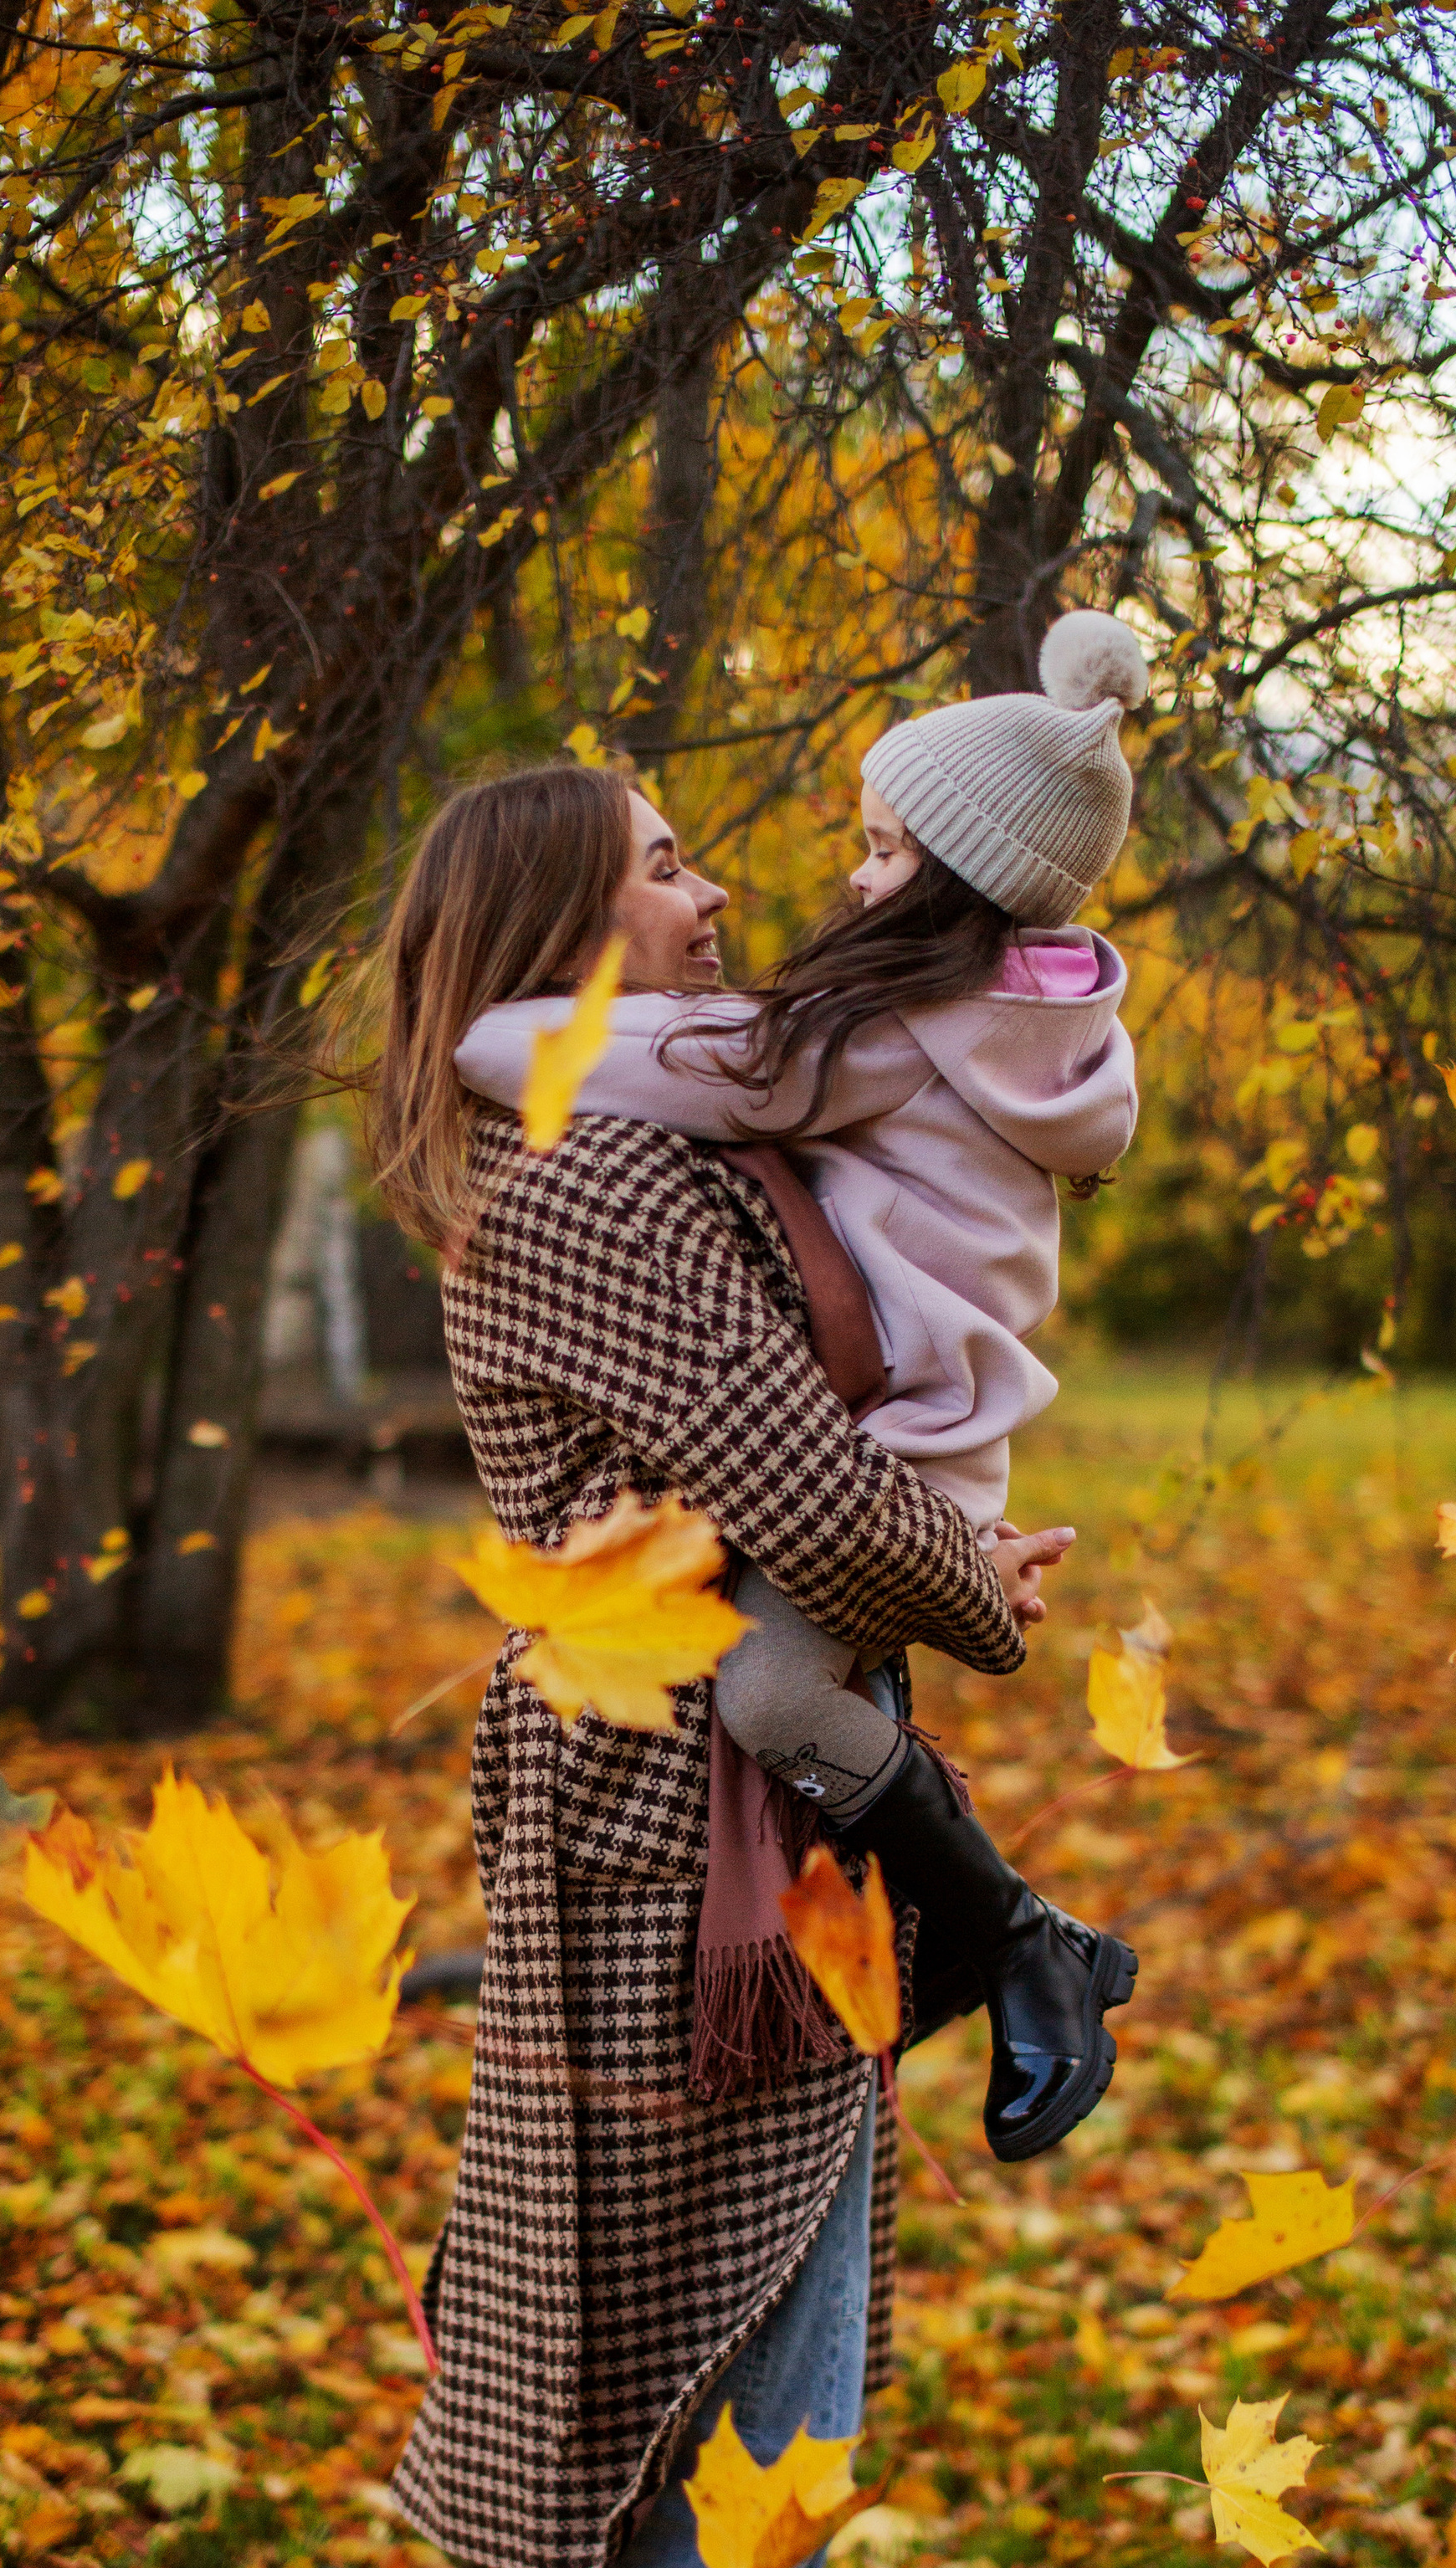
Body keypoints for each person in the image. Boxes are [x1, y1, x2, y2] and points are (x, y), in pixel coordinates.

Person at [340, 762, 1054, 2568]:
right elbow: (810, 1500)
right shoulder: (583, 1185)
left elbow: (813, 1468)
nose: (717, 889)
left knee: (800, 2295)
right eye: (664, 865)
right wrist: (978, 1584)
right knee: (730, 2347)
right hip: (667, 1814)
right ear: (559, 928)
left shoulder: (676, 1144)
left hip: (757, 1783)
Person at [457, 609, 1146, 2162]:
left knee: (775, 1694)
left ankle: (1024, 1937)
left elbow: (694, 1057)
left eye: (887, 853)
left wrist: (488, 1033)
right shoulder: (1046, 1030)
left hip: (906, 1447)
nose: (852, 877)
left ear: (965, 880)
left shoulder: (897, 1039)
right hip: (936, 1443)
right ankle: (1012, 1944)